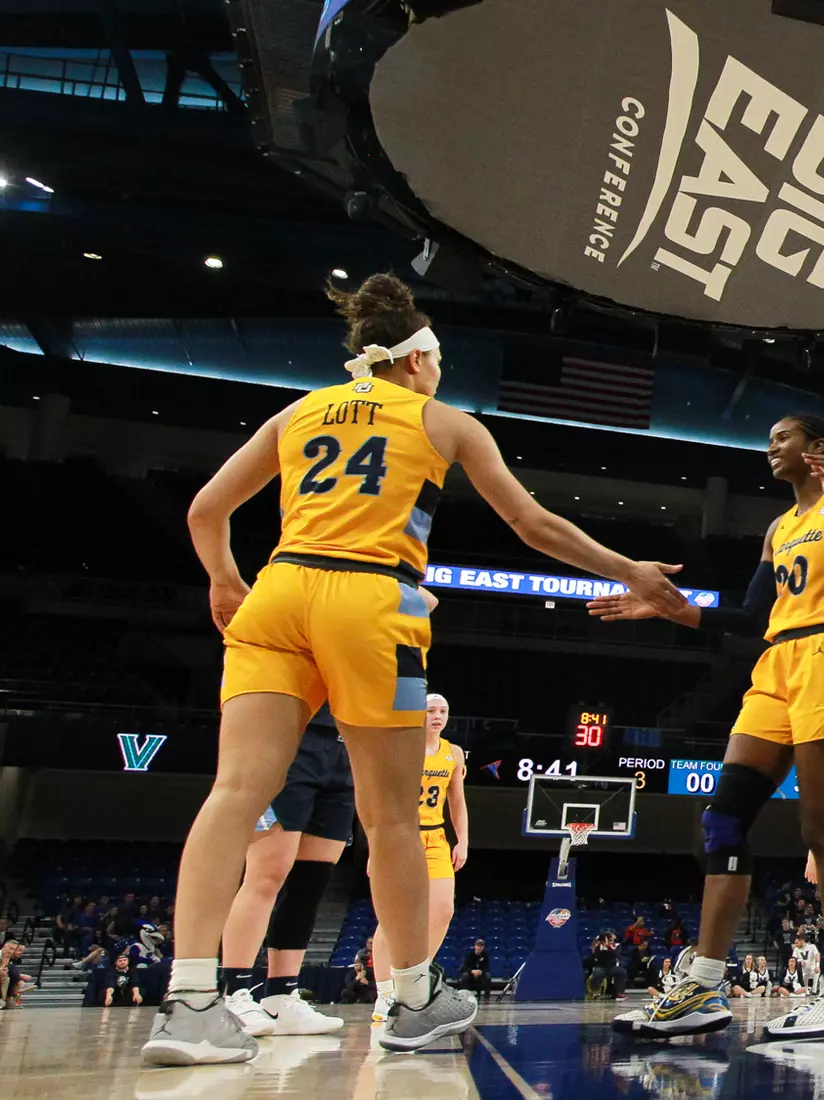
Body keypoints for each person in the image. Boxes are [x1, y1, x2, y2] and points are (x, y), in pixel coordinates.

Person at [143, 272, 677, 1066]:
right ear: (418, 360)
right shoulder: (443, 422)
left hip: (279, 590)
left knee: (232, 793)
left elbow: (204, 511)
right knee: (391, 815)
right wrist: (624, 567)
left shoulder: (296, 413)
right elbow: (532, 523)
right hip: (371, 603)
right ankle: (415, 999)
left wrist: (225, 577)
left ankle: (188, 1004)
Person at [596, 413, 824, 1041]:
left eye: (783, 438)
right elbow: (749, 613)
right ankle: (705, 986)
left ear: (817, 447)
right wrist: (677, 611)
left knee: (821, 830)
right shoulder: (779, 527)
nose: (771, 447)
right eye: (769, 440)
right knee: (722, 818)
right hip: (778, 661)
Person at [217, 702, 359, 1038]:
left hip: (349, 744)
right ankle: (234, 992)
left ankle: (281, 995)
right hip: (290, 737)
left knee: (312, 882)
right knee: (267, 873)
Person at [370, 692, 469, 1023]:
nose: (437, 716)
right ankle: (384, 993)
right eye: (431, 710)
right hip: (401, 837)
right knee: (393, 917)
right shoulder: (400, 748)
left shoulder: (453, 754)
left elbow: (457, 801)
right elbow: (381, 799)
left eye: (443, 710)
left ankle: (414, 982)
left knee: (443, 910)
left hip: (436, 836)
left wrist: (463, 840)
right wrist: (377, 845)